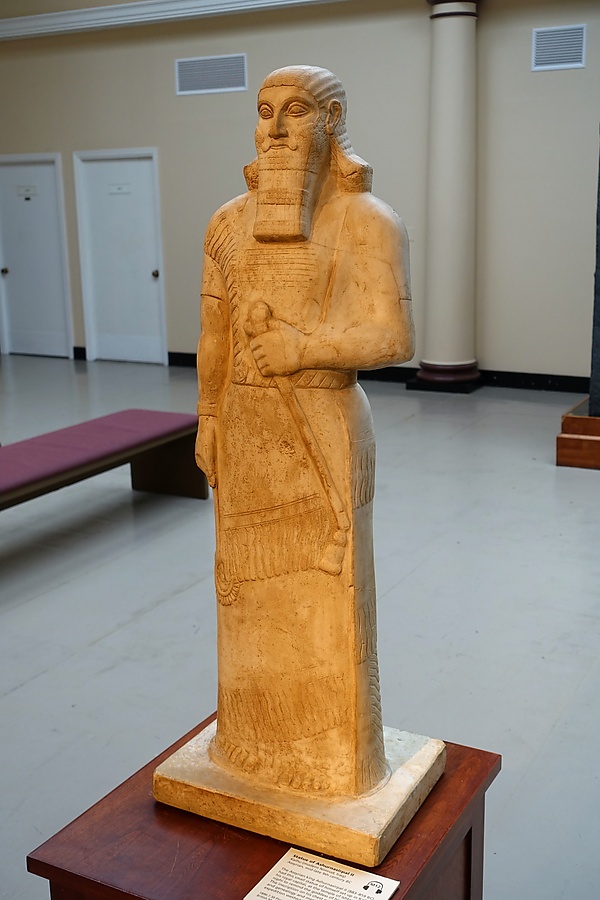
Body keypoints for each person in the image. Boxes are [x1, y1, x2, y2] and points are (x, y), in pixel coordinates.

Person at [196, 65, 414, 797]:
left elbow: (391, 336)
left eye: (295, 111)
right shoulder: (227, 224)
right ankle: (251, 747)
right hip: (244, 428)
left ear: (332, 120)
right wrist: (208, 415)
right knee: (246, 599)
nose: (277, 129)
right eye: (265, 112)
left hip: (322, 424)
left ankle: (332, 760)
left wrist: (304, 348)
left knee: (328, 600)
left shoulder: (366, 221)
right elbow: (215, 335)